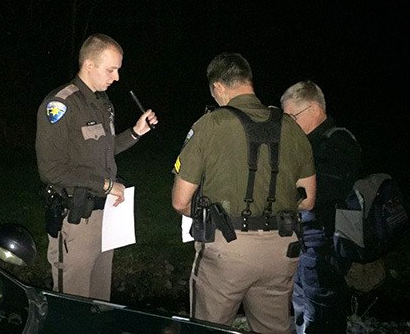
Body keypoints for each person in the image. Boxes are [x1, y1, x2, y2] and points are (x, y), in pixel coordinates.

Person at [171, 52, 316, 334]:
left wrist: (210, 216)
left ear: (218, 87)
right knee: (274, 329)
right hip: (281, 251)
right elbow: (308, 199)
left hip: (227, 249)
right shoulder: (292, 127)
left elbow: (179, 201)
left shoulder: (211, 125)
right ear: (248, 81)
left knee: (208, 329)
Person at [35, 33, 158, 301]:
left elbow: (104, 149)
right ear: (89, 65)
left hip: (106, 216)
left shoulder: (103, 103)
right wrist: (105, 185)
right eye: (111, 69)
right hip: (77, 219)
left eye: (118, 70)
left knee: (101, 301)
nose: (116, 77)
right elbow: (51, 170)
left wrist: (136, 132)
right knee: (73, 303)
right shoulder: (61, 104)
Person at [281, 80, 362, 334]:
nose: (289, 124)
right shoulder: (306, 144)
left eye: (292, 116)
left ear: (314, 109)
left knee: (322, 315)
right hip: (304, 242)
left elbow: (323, 191)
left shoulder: (338, 141)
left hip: (326, 244)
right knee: (301, 310)